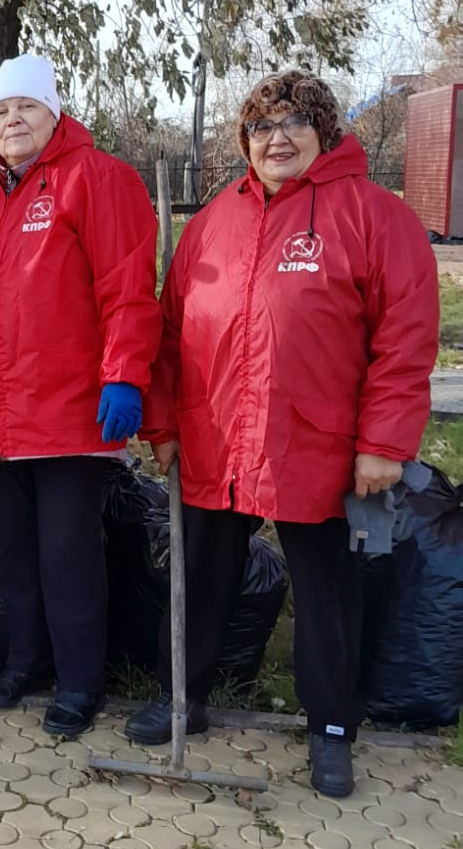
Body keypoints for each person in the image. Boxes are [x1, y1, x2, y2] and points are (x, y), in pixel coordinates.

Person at [129, 71, 439, 797]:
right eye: (262, 126)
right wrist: (164, 422)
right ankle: (186, 698)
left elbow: (407, 335)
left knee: (326, 591)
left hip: (317, 445)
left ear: (323, 132)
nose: (277, 137)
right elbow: (171, 333)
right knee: (201, 574)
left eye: (294, 122)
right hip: (215, 437)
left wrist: (384, 442)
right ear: (245, 140)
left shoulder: (372, 215)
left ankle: (330, 726)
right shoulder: (213, 221)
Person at [0, 54, 160, 738]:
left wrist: (125, 374)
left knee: (67, 552)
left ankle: (81, 681)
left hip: (69, 406)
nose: (13, 119)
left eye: (26, 107)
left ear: (54, 111)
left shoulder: (99, 179)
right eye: (0, 110)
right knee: (13, 550)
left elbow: (128, 290)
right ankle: (27, 660)